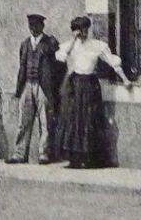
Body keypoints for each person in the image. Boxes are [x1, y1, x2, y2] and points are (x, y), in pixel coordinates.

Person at [54, 15, 131, 168]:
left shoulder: (97, 46)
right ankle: (74, 159)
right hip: (74, 85)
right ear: (74, 31)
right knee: (73, 120)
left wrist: (125, 79)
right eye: (79, 30)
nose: (83, 33)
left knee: (89, 119)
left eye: (85, 29)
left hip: (90, 85)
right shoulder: (69, 46)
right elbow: (62, 58)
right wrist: (74, 41)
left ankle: (89, 159)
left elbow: (113, 63)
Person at [9, 13, 61, 165]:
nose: (32, 28)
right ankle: (20, 154)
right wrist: (18, 90)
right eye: (30, 25)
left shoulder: (51, 43)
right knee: (23, 121)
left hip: (43, 87)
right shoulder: (25, 44)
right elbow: (22, 66)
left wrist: (52, 86)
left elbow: (59, 67)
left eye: (36, 25)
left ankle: (44, 154)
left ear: (42, 26)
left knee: (45, 121)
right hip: (27, 85)